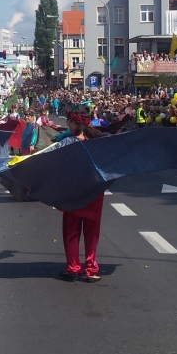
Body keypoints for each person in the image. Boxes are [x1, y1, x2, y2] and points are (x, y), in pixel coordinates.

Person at [58, 111, 106, 282]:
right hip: (94, 191)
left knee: (71, 231)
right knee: (92, 232)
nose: (68, 126)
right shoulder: (99, 142)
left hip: (74, 191)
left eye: (70, 123)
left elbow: (58, 166)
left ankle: (73, 267)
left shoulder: (67, 144)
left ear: (77, 124)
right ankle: (91, 269)